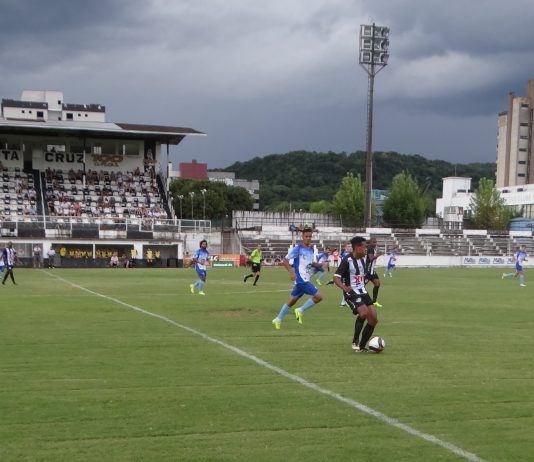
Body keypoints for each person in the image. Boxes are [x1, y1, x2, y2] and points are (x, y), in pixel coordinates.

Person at [271, 227, 323, 329]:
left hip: (306, 278)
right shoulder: (298, 249)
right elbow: (285, 260)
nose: (308, 238)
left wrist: (318, 265)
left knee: (292, 301)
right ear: (302, 237)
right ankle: (300, 310)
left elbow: (309, 262)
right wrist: (291, 272)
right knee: (319, 297)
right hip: (301, 279)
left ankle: (278, 319)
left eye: (310, 236)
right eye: (306, 236)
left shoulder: (311, 249)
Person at [334, 236, 379, 352]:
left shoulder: (364, 259)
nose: (366, 249)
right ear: (357, 247)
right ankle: (355, 340)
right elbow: (336, 277)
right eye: (364, 247)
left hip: (363, 291)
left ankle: (362, 347)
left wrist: (374, 281)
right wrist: (344, 287)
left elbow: (364, 274)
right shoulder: (347, 260)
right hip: (351, 292)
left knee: (373, 319)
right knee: (363, 313)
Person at [365, 237, 383, 308]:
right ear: (370, 242)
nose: (375, 243)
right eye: (373, 242)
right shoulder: (370, 248)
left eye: (376, 242)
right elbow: (371, 259)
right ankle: (350, 298)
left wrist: (377, 255)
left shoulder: (372, 248)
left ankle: (374, 301)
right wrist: (378, 255)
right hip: (368, 270)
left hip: (372, 270)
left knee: (377, 284)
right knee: (360, 286)